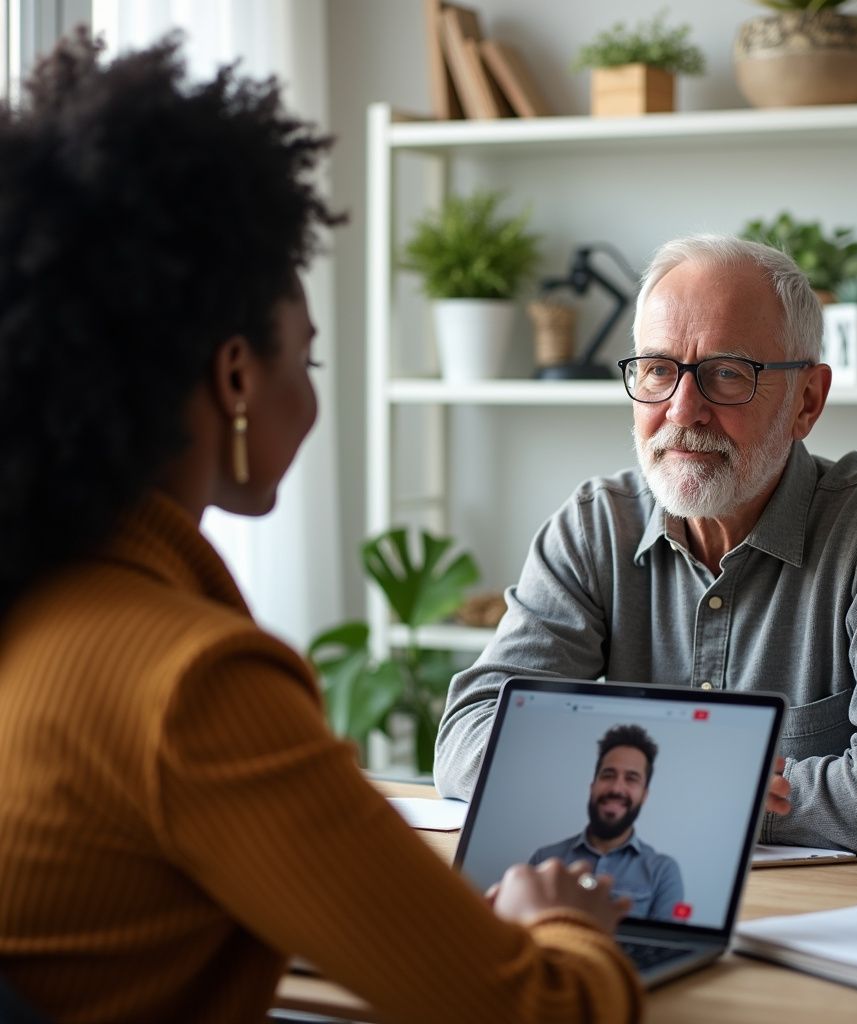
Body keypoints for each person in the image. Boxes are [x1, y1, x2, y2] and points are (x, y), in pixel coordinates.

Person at [0, 33, 643, 1024]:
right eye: (310, 360)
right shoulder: (190, 685)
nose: (312, 395)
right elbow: (536, 1011)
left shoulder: (37, 609)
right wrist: (562, 925)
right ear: (235, 378)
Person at [435, 234, 857, 861]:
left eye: (728, 373)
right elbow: (469, 740)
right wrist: (735, 787)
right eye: (658, 369)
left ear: (807, 400)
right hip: (643, 899)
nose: (682, 409)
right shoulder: (594, 526)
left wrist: (640, 786)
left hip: (856, 926)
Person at [530, 725, 684, 922]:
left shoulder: (663, 872)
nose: (616, 788)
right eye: (608, 775)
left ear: (644, 795)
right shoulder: (545, 859)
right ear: (592, 786)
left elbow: (666, 945)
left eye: (631, 779)